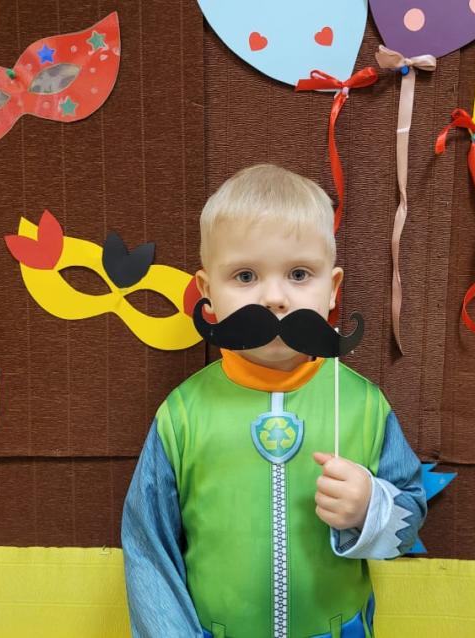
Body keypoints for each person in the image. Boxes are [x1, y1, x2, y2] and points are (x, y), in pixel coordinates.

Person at [122, 164, 426, 637]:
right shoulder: (182, 415)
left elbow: (409, 520)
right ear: (208, 293)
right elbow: (148, 547)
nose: (274, 298)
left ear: (332, 289)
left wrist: (370, 508)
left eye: (299, 274)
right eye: (245, 275)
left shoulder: (364, 407)